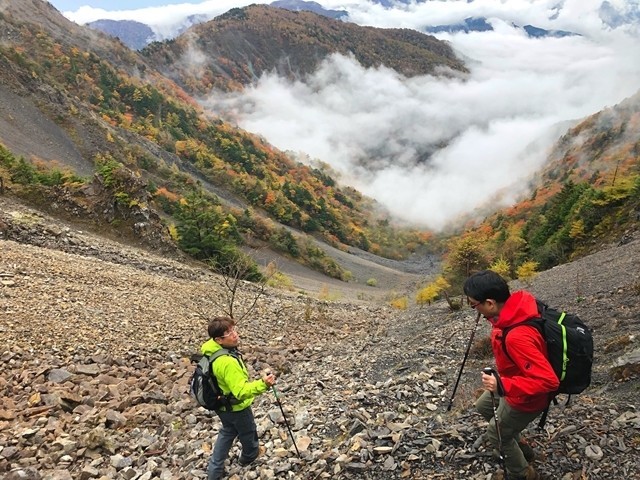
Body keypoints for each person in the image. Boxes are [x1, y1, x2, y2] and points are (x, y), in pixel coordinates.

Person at [463, 270, 559, 480]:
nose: (474, 310)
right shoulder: (513, 310)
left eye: (474, 305)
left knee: (495, 434)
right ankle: (519, 445)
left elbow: (548, 381)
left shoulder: (517, 336)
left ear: (490, 303)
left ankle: (523, 473)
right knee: (483, 406)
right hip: (515, 383)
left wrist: (503, 386)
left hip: (526, 397)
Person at [201, 316, 276, 480]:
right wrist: (263, 384)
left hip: (221, 405)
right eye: (229, 333)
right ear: (219, 340)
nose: (235, 334)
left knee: (227, 431)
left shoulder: (210, 350)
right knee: (248, 431)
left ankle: (214, 471)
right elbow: (240, 391)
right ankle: (248, 456)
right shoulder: (227, 362)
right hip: (236, 408)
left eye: (233, 329)